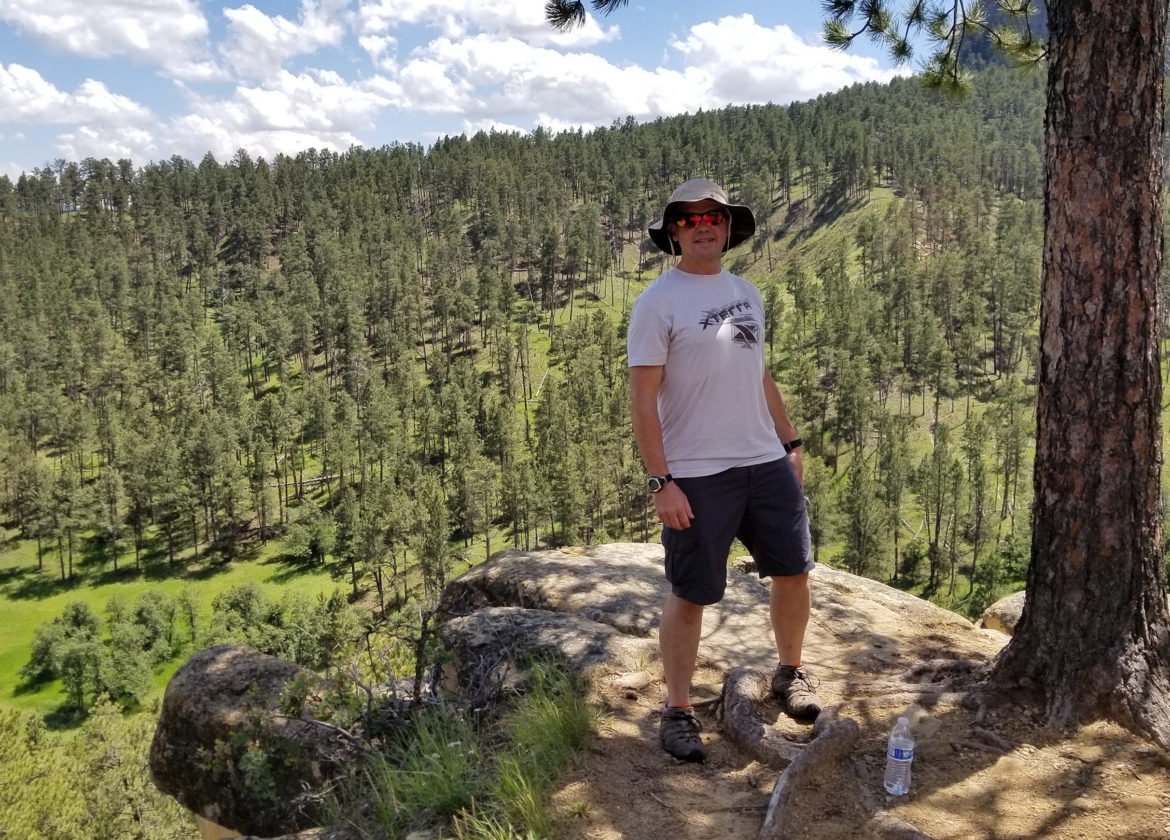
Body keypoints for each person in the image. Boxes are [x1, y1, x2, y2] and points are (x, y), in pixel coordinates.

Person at [627, 178, 821, 763]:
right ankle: (679, 709)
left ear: (729, 226)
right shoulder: (657, 303)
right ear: (674, 234)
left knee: (794, 573)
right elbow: (642, 398)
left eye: (713, 215)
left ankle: (790, 672)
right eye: (688, 219)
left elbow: (759, 373)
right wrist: (662, 481)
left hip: (764, 460)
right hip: (697, 473)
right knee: (691, 594)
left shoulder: (747, 293)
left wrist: (789, 441)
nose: (703, 225)